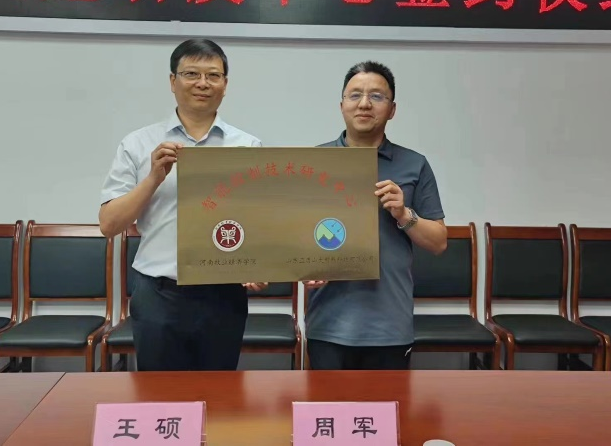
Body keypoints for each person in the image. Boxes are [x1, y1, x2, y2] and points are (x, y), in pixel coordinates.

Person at [98, 39, 267, 371]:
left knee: (219, 394)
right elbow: (109, 224)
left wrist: (261, 266)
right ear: (172, 81)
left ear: (225, 85)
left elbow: (260, 221)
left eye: (213, 75)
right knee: (159, 395)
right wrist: (153, 178)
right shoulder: (138, 144)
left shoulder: (247, 146)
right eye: (191, 74)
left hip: (223, 294)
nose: (203, 83)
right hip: (159, 294)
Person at [304, 61, 448, 370]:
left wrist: (404, 214)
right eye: (355, 95)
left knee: (388, 404)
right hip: (329, 323)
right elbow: (297, 236)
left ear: (392, 109)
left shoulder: (415, 164)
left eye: (377, 96)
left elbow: (438, 242)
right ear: (342, 105)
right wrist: (304, 267)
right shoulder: (314, 162)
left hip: (390, 326)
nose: (365, 104)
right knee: (328, 403)